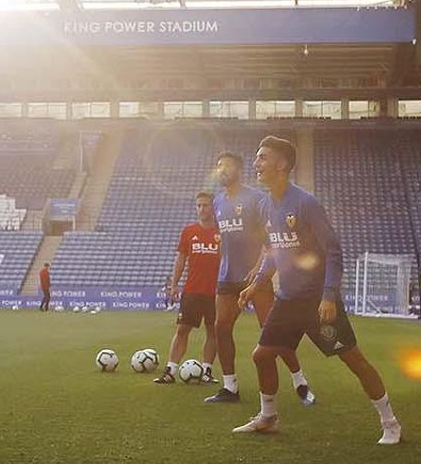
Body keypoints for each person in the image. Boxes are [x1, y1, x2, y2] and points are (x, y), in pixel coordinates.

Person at [232, 136, 402, 445]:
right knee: (262, 355)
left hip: (316, 301)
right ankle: (268, 417)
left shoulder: (306, 203)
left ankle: (390, 422)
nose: (256, 164)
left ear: (282, 164)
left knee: (354, 361)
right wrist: (256, 284)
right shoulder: (264, 205)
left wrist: (328, 296)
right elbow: (274, 252)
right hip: (287, 300)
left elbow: (333, 251)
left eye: (262, 158)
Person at [205, 151, 314, 406]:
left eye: (227, 166)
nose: (222, 170)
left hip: (256, 276)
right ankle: (229, 387)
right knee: (221, 328)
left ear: (239, 170)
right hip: (227, 277)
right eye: (219, 166)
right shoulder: (218, 201)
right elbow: (225, 241)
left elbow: (271, 239)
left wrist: (258, 267)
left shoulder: (256, 199)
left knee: (271, 331)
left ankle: (299, 379)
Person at [154, 192, 220, 385]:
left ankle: (207, 371)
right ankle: (170, 371)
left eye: (206, 205)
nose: (202, 209)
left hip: (215, 293)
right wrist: (174, 284)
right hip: (192, 290)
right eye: (199, 205)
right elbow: (181, 259)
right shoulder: (189, 231)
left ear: (213, 207)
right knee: (182, 330)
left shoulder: (221, 233)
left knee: (213, 332)